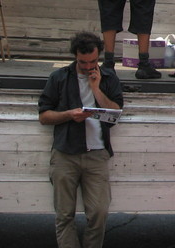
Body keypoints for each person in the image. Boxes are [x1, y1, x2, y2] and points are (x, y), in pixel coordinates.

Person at [38, 31, 124, 248]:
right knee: (64, 214)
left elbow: (115, 114)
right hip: (65, 153)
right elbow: (44, 116)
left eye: (93, 61)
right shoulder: (59, 77)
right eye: (83, 62)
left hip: (96, 153)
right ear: (75, 56)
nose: (88, 67)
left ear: (99, 56)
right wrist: (69, 115)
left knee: (99, 212)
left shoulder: (109, 77)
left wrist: (96, 89)